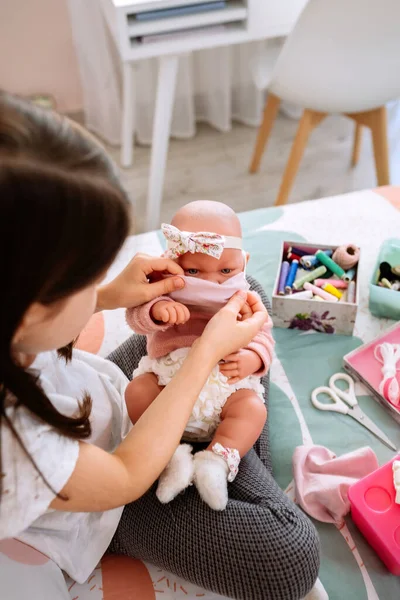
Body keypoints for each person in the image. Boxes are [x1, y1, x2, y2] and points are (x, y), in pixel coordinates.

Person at [0, 92, 320, 600]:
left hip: (101, 397)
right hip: (110, 497)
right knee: (290, 558)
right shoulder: (14, 450)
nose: (100, 286)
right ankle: (224, 448)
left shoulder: (18, 325)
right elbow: (124, 476)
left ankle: (222, 432)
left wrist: (108, 297)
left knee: (245, 294)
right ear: (29, 304)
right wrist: (208, 353)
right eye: (87, 279)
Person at [125, 201, 274, 511]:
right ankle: (169, 457)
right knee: (136, 392)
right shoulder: (166, 289)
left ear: (244, 262)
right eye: (193, 270)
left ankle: (217, 460)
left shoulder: (244, 296)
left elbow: (263, 336)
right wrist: (155, 311)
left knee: (253, 410)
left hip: (224, 388)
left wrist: (252, 359)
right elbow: (135, 317)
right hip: (168, 385)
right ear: (171, 263)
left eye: (226, 270)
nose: (212, 281)